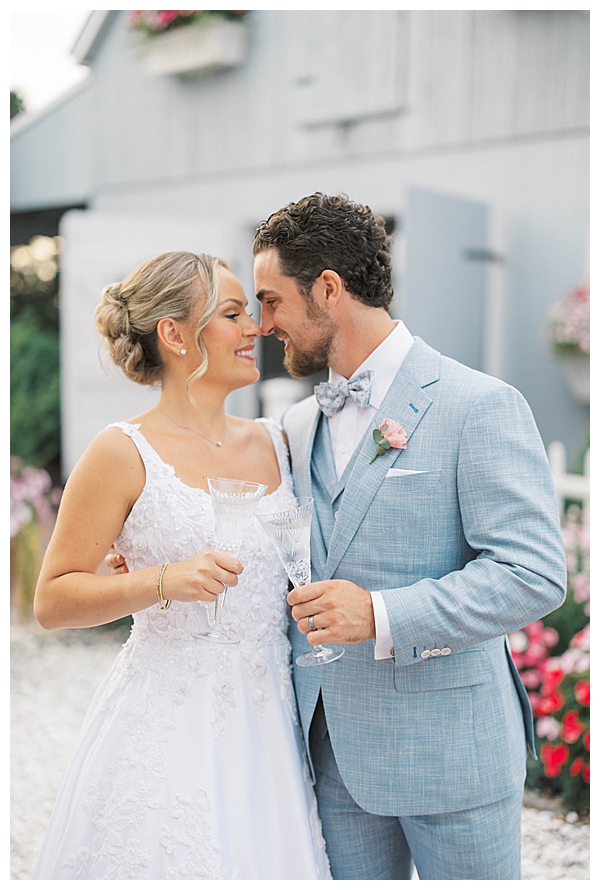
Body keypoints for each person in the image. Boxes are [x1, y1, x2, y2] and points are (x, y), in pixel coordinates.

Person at [251, 192, 567, 880]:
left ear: (327, 289)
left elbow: (533, 573)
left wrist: (382, 613)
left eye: (272, 300)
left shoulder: (479, 405)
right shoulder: (298, 426)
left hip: (451, 756)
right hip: (333, 755)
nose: (262, 323)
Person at [32, 251, 331, 880]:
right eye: (232, 314)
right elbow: (52, 600)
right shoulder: (121, 451)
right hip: (166, 722)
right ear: (173, 333)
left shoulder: (278, 440)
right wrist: (163, 581)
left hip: (271, 727)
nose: (255, 328)